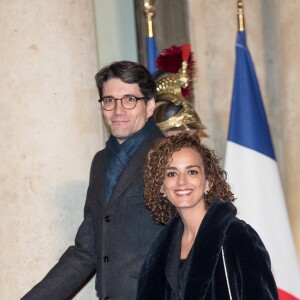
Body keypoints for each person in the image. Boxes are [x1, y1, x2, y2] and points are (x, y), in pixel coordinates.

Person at [22, 61, 164, 300]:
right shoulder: (100, 162)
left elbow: (194, 236)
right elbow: (85, 251)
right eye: (109, 100)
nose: (118, 110)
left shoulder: (171, 156)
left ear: (149, 106)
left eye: (129, 99)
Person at [136, 133, 279, 300]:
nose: (182, 181)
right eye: (171, 174)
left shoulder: (237, 236)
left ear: (208, 182)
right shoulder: (160, 247)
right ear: (161, 186)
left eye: (192, 172)